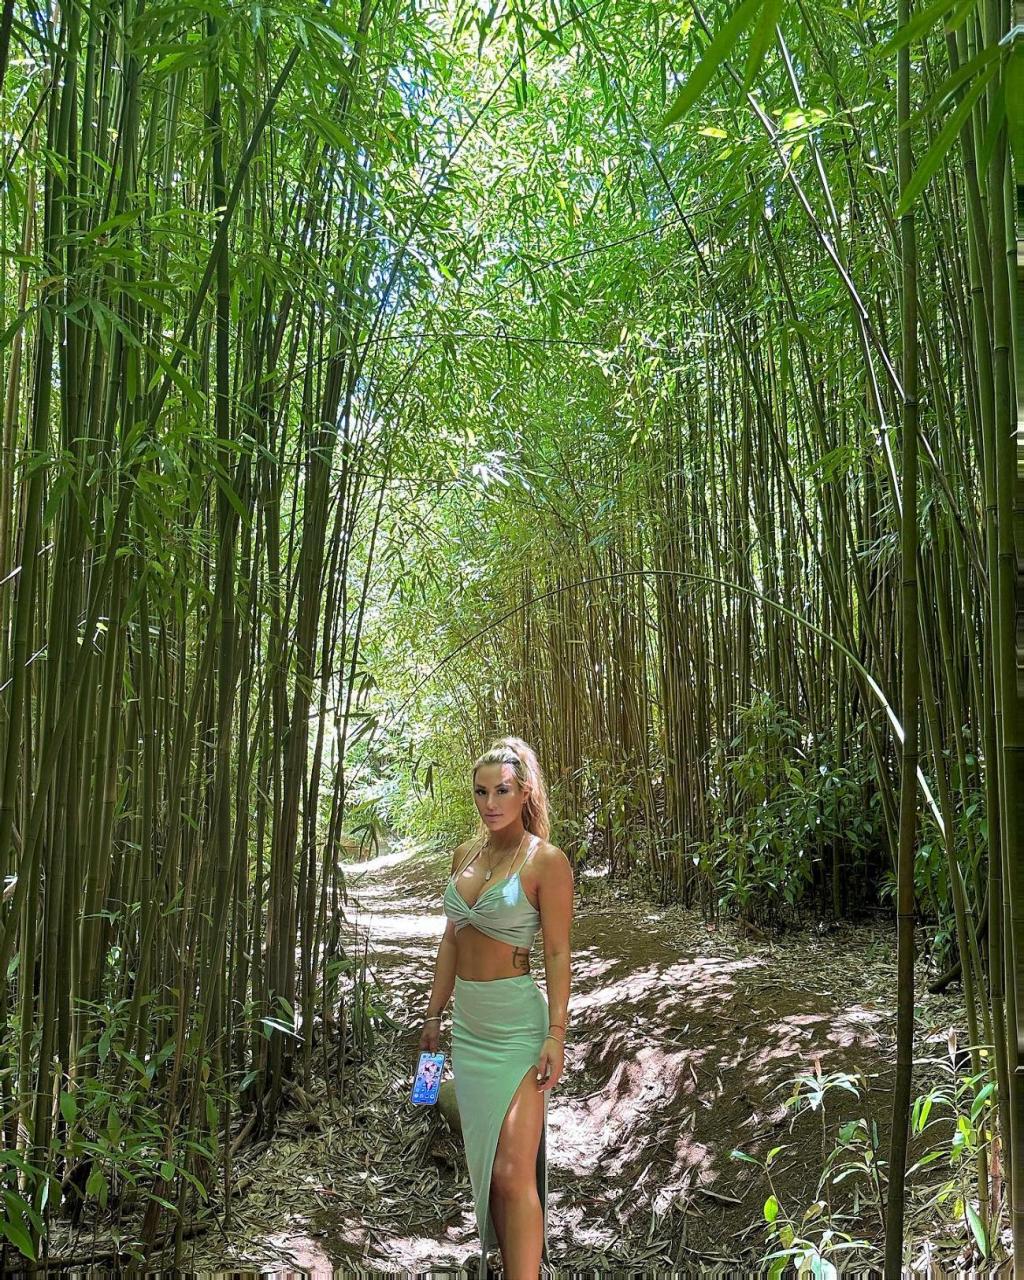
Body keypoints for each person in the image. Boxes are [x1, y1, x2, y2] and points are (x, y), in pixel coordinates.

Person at [419, 736, 574, 1279]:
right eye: (481, 792)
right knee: (488, 1171)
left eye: (502, 790)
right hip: (469, 1023)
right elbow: (450, 942)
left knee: (512, 1171)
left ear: (523, 790)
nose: (490, 803)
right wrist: (434, 1015)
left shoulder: (546, 862)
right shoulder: (465, 855)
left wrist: (556, 1032)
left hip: (516, 1028)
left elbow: (556, 951)